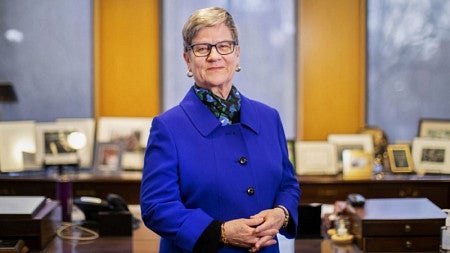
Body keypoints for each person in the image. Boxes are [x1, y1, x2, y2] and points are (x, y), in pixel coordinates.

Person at [140, 7, 301, 253]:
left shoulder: (269, 118)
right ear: (188, 60)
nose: (214, 56)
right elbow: (156, 207)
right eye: (202, 48)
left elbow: (288, 185)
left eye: (224, 46)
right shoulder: (168, 127)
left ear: (237, 54)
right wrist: (222, 232)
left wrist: (282, 213)